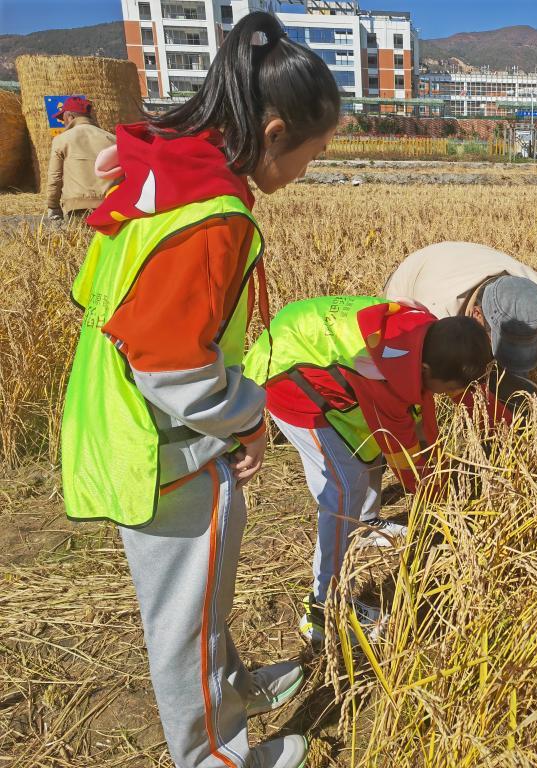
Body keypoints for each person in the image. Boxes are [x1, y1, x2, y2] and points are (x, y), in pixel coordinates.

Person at [60, 13, 339, 768]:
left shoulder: (173, 174)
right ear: (275, 132)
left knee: (201, 594)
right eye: (316, 152)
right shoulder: (212, 217)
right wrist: (246, 420)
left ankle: (233, 688)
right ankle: (216, 756)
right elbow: (170, 362)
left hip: (134, 421)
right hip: (157, 444)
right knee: (184, 619)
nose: (312, 168)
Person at [243, 297, 493, 650]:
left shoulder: (431, 336)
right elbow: (406, 452)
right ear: (423, 372)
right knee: (343, 488)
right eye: (446, 387)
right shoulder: (380, 371)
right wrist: (437, 500)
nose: (451, 394)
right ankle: (323, 609)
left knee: (366, 451)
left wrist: (504, 428)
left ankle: (367, 523)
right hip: (285, 378)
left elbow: (461, 393)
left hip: (320, 358)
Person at [384, 242, 537, 418]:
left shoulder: (532, 303)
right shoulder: (435, 312)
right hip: (412, 280)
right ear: (477, 314)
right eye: (499, 341)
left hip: (463, 263)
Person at [44, 96, 115, 220]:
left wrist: (53, 206)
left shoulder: (62, 140)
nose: (63, 122)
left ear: (70, 116)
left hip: (78, 207)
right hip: (111, 206)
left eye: (63, 118)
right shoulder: (112, 139)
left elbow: (55, 177)